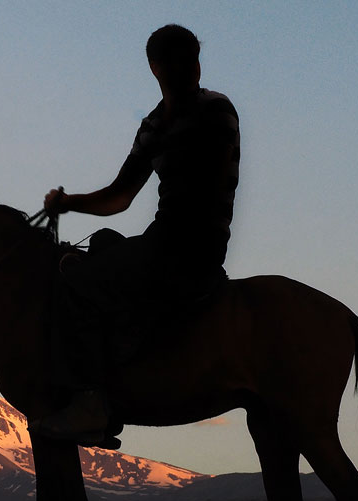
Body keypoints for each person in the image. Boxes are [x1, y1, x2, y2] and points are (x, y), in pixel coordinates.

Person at [32, 24, 240, 444]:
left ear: (154, 68)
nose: (193, 71)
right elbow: (120, 197)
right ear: (160, 67)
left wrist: (69, 202)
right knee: (106, 244)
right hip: (187, 242)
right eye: (186, 62)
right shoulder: (196, 114)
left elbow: (120, 195)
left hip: (179, 245)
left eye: (193, 62)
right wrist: (70, 202)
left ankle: (91, 400)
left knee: (77, 281)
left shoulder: (191, 117)